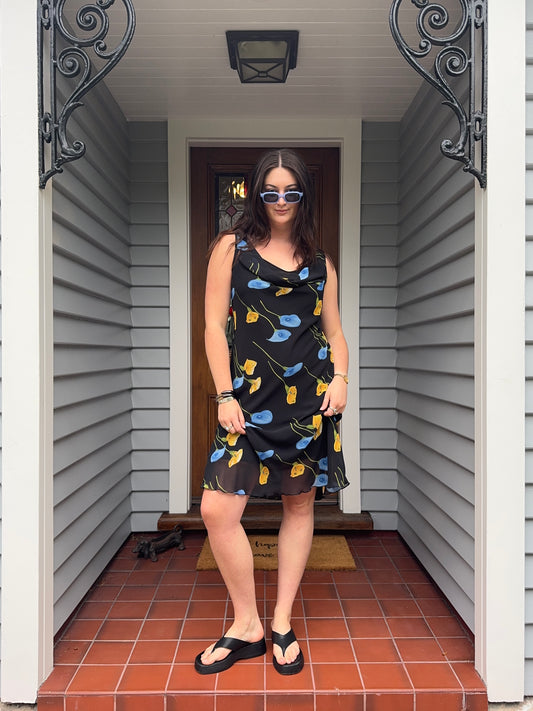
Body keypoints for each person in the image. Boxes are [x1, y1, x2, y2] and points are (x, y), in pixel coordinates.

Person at [194, 148, 350, 676]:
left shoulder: (321, 263)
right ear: (257, 195)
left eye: (291, 192)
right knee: (217, 510)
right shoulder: (230, 249)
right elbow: (213, 327)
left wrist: (342, 379)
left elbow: (334, 333)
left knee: (299, 507)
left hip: (307, 402)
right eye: (271, 192)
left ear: (304, 196)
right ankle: (247, 624)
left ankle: (281, 620)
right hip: (245, 402)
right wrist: (224, 394)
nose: (281, 201)